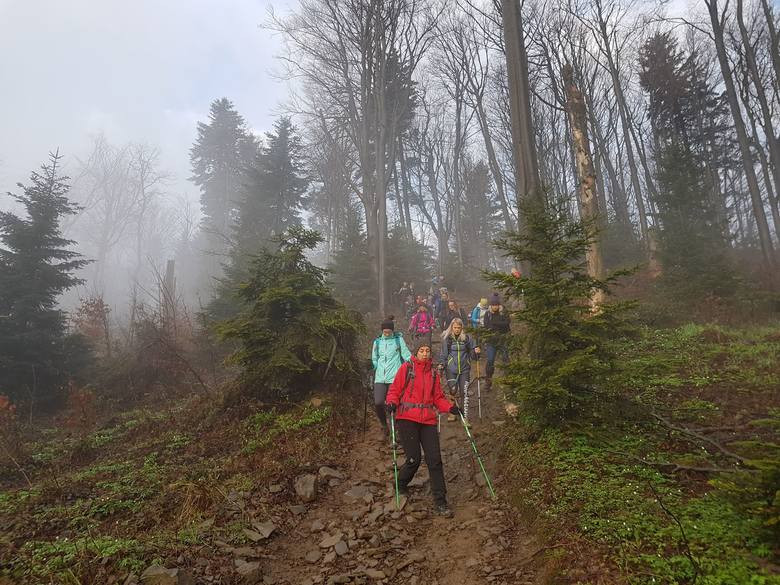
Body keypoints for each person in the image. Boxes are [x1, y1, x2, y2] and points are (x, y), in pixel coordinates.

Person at [385, 341, 461, 516]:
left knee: (435, 460)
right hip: (407, 418)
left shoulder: (433, 373)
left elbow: (438, 398)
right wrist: (392, 402)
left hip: (428, 420)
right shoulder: (406, 368)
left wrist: (450, 408)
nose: (425, 353)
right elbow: (395, 390)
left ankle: (440, 501)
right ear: (416, 353)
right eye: (422, 350)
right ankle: (400, 484)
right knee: (414, 459)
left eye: (427, 351)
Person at [371, 318, 412, 439]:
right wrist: (373, 366)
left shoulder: (398, 340)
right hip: (380, 378)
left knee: (393, 404)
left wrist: (414, 363)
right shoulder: (377, 342)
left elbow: (406, 355)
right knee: (378, 402)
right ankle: (384, 426)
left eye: (389, 331)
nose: (387, 333)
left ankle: (396, 431)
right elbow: (374, 358)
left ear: (392, 330)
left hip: (395, 377)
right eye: (385, 331)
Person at [439, 318, 479, 422]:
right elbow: (443, 354)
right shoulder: (447, 339)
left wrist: (476, 351)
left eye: (459, 327)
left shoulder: (467, 338)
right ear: (451, 327)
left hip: (464, 369)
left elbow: (473, 355)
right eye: (455, 327)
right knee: (453, 390)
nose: (457, 329)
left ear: (462, 328)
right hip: (451, 369)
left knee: (464, 392)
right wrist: (442, 364)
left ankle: (465, 417)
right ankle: (452, 413)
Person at [483, 293, 510, 390]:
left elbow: (507, 323)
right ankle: (488, 381)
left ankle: (509, 381)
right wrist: (499, 325)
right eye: (493, 305)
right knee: (490, 361)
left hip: (503, 340)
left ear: (499, 304)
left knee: (505, 360)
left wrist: (495, 324)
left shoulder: (504, 312)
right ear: (491, 305)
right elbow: (487, 326)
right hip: (491, 342)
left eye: (496, 305)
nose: (495, 306)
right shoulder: (487, 314)